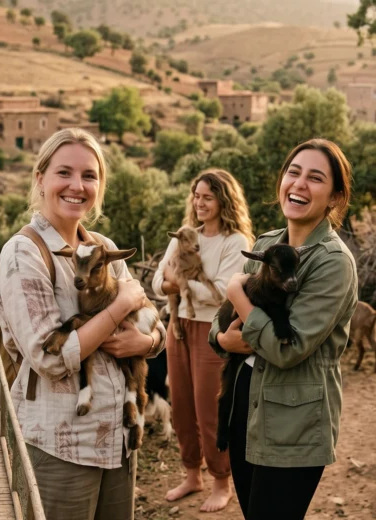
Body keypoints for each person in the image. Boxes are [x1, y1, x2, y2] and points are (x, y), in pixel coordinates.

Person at [0, 128, 166, 520]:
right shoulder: (24, 254)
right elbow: (49, 359)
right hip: (60, 445)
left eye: (89, 176)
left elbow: (155, 326)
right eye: (64, 173)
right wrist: (118, 305)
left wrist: (145, 342)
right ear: (41, 179)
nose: (77, 186)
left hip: (118, 441)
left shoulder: (102, 246)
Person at [209, 139, 357, 520]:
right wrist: (222, 337)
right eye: (294, 172)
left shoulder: (333, 263)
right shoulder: (266, 243)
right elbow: (222, 326)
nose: (299, 184)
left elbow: (286, 349)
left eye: (315, 178)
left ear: (335, 197)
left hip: (295, 421)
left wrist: (234, 290)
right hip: (248, 404)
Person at [151, 170, 254, 512]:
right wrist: (176, 283)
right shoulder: (184, 235)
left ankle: (221, 481)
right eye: (196, 196)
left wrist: (177, 282)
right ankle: (192, 474)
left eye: (207, 197)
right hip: (177, 325)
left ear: (224, 200)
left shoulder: (234, 241)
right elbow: (156, 280)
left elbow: (225, 292)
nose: (200, 203)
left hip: (212, 331)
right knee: (181, 406)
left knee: (210, 408)